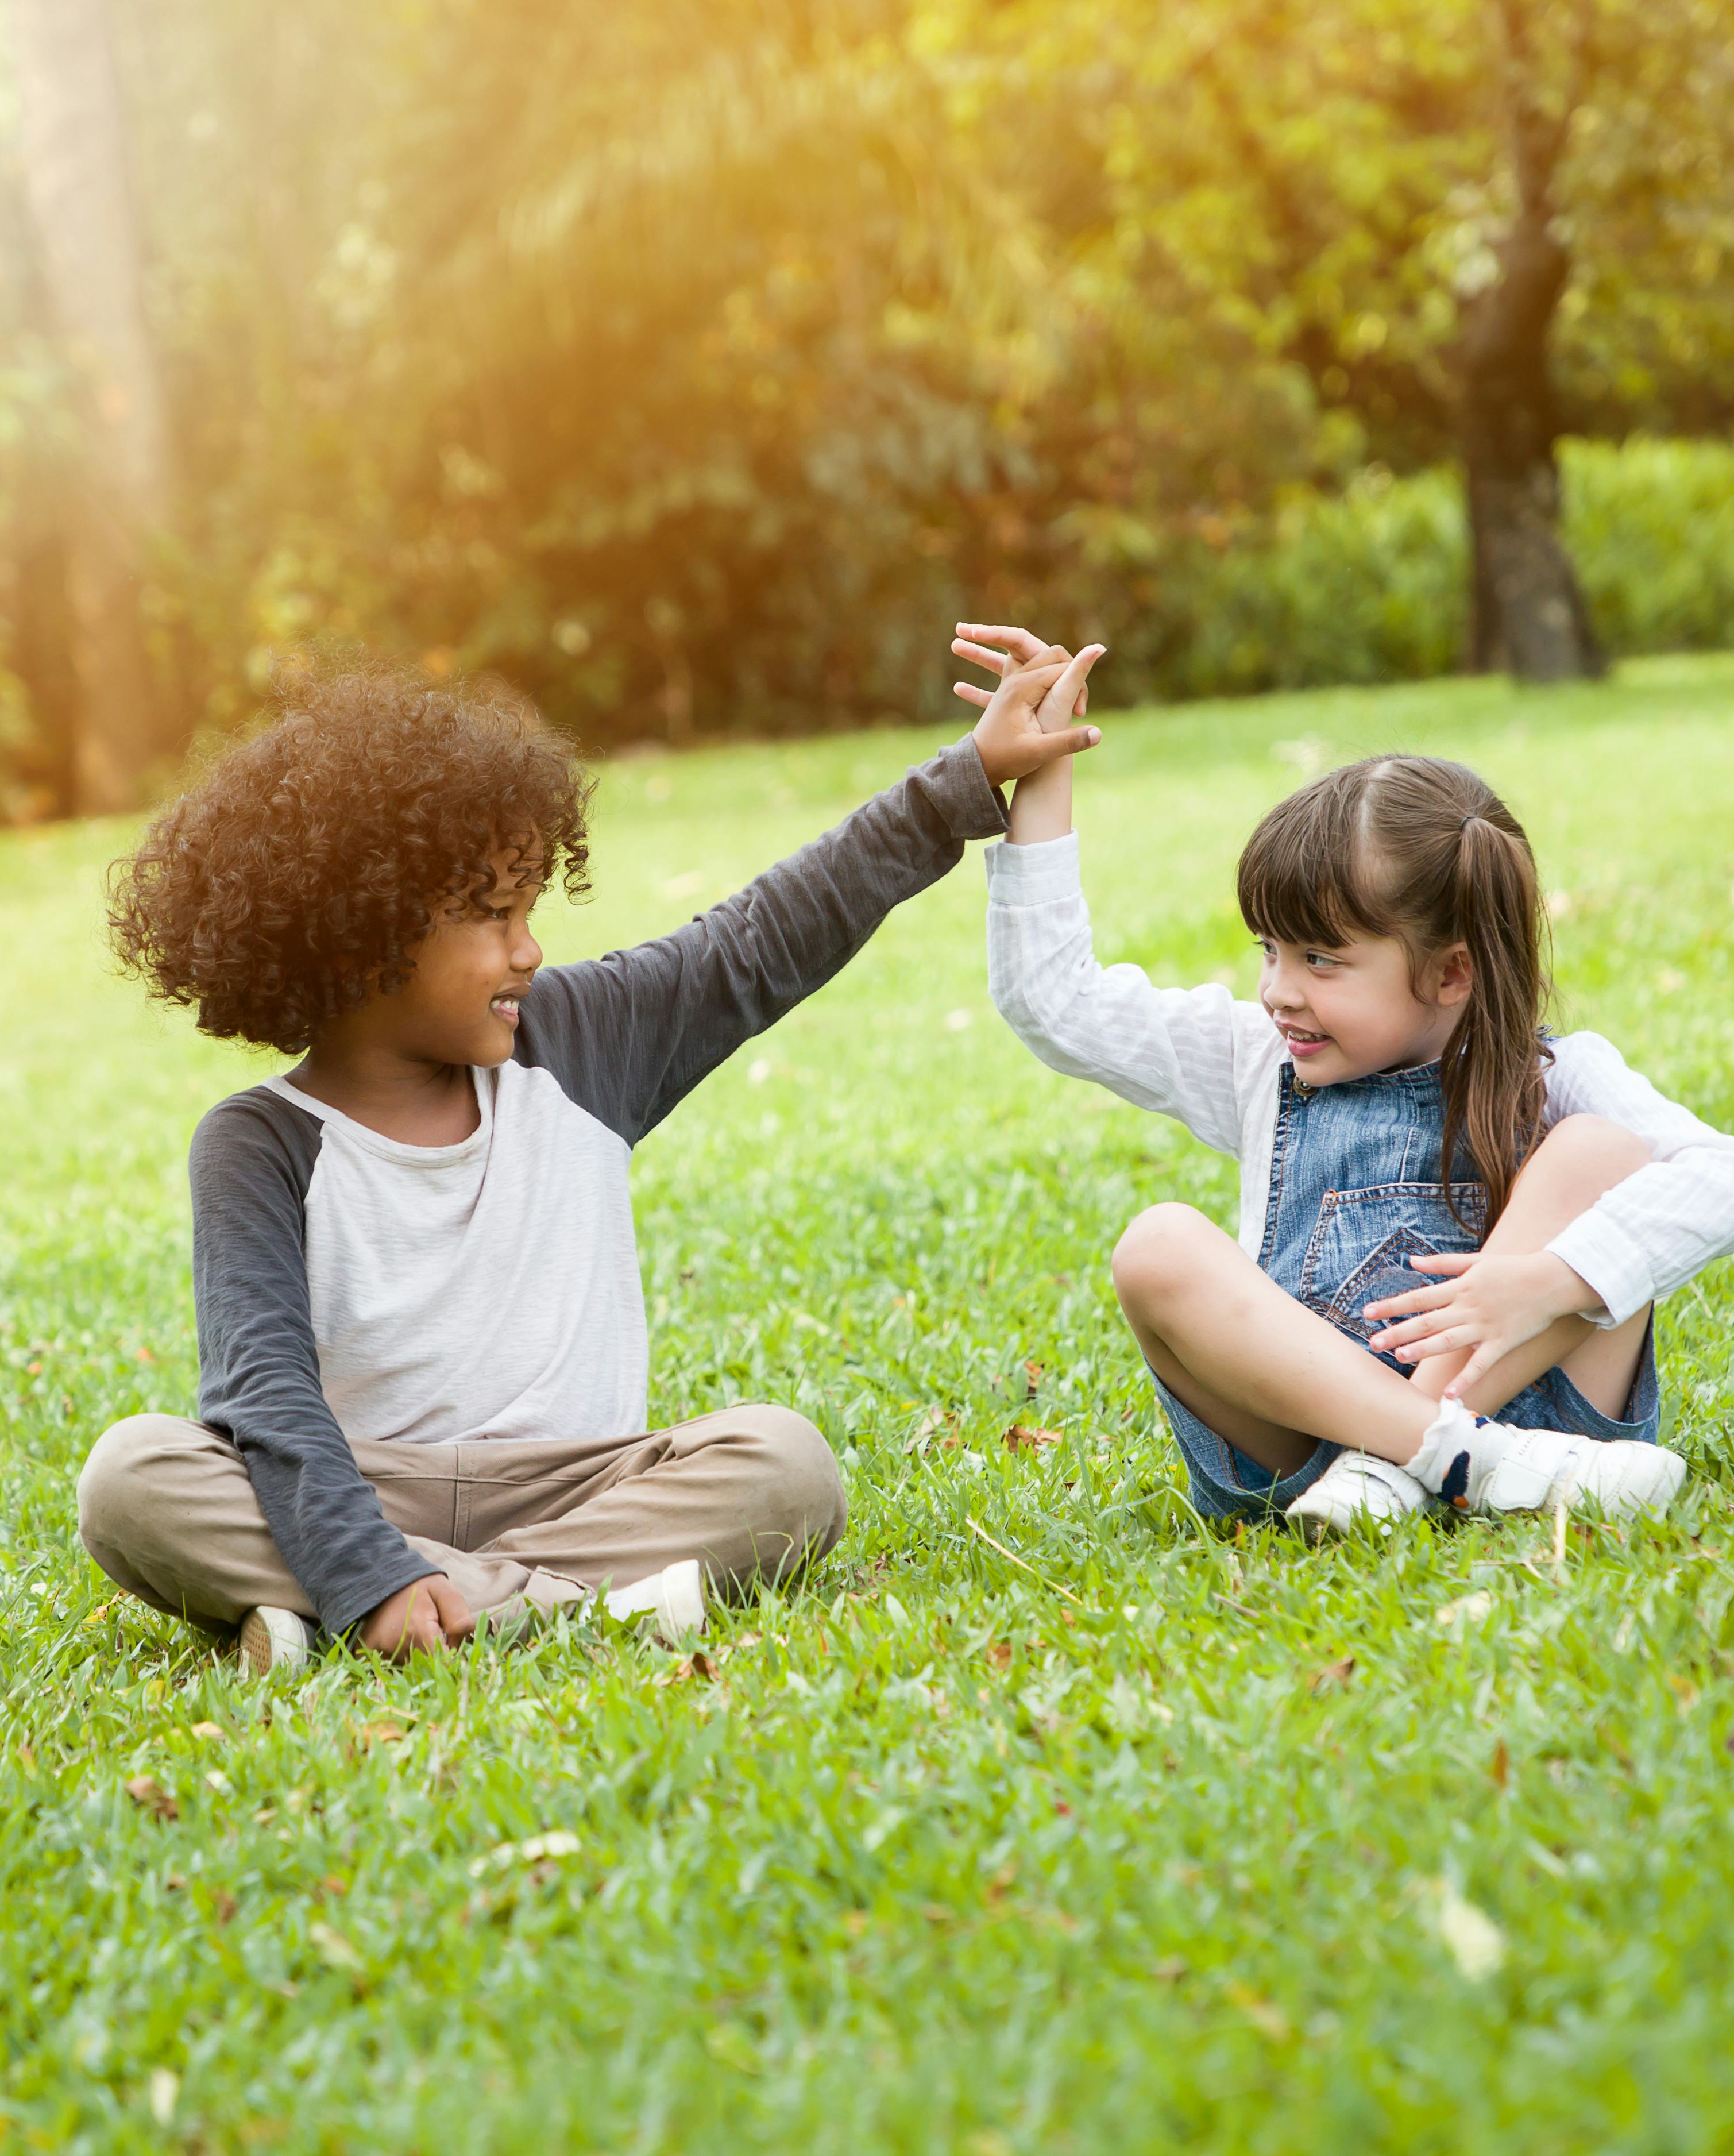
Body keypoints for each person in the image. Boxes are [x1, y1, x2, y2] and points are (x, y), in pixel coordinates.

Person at [76, 657, 1100, 1668]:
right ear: (359, 938)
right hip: (360, 1485)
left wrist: (964, 777)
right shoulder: (256, 1141)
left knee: (786, 1463)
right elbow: (263, 1393)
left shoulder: (581, 1040)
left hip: (589, 1486)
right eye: (492, 914)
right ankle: (562, 1602)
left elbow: (759, 940)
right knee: (132, 1476)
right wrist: (368, 1553)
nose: (528, 948)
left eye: (531, 908)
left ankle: (387, 1609)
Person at [957, 624, 1734, 1532]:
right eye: (1269, 950)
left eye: (1320, 959)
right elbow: (1053, 1001)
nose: (1277, 992)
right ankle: (1438, 1454)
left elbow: (1730, 1182)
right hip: (1309, 1453)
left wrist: (1544, 1280)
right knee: (1156, 1245)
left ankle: (1403, 1466)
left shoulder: (1554, 1074)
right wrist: (1047, 768)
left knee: (1599, 1152)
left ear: (1450, 972)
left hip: (1539, 1417)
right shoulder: (1259, 1064)